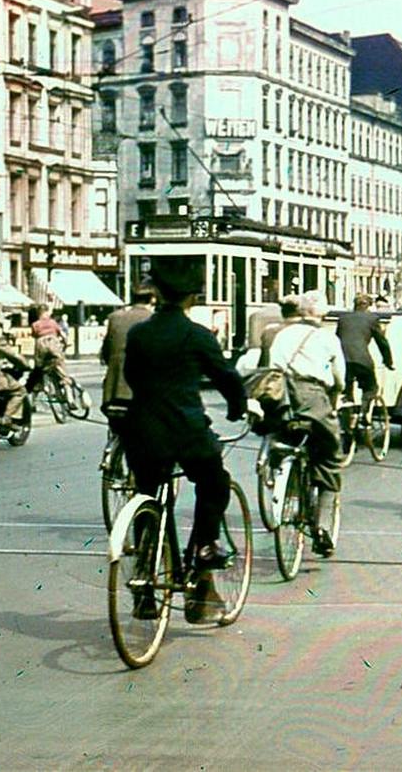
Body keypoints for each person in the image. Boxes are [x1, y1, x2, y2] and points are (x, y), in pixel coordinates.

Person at [122, 258, 247, 622]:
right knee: (214, 481)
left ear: (157, 292)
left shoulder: (138, 334)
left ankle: (145, 575)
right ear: (193, 296)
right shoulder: (197, 335)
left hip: (142, 432)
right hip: (185, 431)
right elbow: (227, 378)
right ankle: (206, 546)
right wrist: (238, 408)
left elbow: (131, 376)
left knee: (147, 495)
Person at [268, 292, 346, 557]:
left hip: (281, 401)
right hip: (312, 399)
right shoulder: (327, 338)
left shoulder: (282, 335)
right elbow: (339, 379)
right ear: (322, 314)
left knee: (283, 442)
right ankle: (323, 527)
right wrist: (336, 397)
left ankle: (279, 476)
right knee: (330, 458)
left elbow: (272, 368)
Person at [99, 288, 155, 424]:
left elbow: (105, 353)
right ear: (152, 299)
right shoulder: (153, 319)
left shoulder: (114, 317)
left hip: (112, 393)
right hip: (141, 395)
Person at [336, 293, 394, 411]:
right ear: (368, 306)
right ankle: (364, 414)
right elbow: (382, 342)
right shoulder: (372, 319)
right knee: (370, 388)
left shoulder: (343, 319)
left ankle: (348, 411)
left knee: (346, 388)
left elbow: (337, 338)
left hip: (343, 360)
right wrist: (388, 361)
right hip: (362, 360)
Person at [30, 307, 69, 389]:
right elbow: (63, 335)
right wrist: (65, 344)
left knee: (39, 366)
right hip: (53, 342)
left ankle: (38, 384)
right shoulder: (53, 322)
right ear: (46, 312)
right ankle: (65, 381)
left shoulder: (35, 324)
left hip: (41, 344)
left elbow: (34, 335)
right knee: (59, 362)